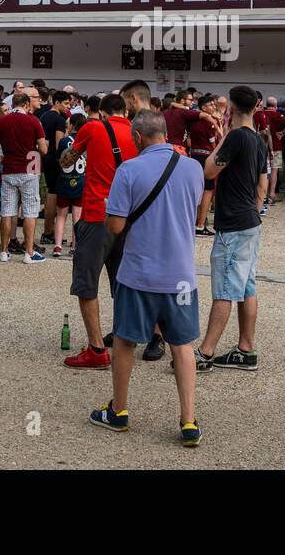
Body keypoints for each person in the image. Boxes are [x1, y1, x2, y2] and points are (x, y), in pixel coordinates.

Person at [91, 109, 205, 447]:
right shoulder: (193, 168)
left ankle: (120, 411)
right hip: (181, 274)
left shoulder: (129, 169)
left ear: (137, 138)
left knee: (126, 340)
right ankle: (188, 421)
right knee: (181, 344)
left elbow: (114, 225)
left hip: (139, 273)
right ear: (165, 134)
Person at [62, 92, 138, 369]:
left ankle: (96, 349)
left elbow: (67, 161)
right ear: (125, 112)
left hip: (97, 214)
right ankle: (124, 339)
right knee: (124, 283)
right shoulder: (137, 132)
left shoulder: (92, 127)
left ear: (103, 112)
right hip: (129, 218)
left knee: (87, 282)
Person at [197, 85, 268, 372]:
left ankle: (205, 353)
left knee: (225, 288)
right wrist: (254, 206)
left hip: (233, 223)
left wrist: (224, 132)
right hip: (250, 220)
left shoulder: (236, 136)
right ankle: (245, 348)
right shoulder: (258, 140)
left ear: (232, 110)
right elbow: (262, 183)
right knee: (247, 286)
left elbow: (209, 169)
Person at [0, 88, 48, 264]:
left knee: (7, 212)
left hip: (9, 169)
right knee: (30, 212)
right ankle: (29, 252)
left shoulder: (2, 121)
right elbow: (43, 149)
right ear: (26, 104)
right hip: (29, 169)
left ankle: (4, 251)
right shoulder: (33, 121)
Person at [187, 95, 225, 235]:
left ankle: (194, 220)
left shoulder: (191, 120)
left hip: (193, 156)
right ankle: (201, 225)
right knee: (208, 190)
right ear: (203, 107)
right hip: (206, 155)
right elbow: (214, 141)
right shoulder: (210, 121)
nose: (213, 107)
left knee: (196, 190)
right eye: (211, 105)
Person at [38, 90, 70, 250]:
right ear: (56, 103)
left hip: (45, 157)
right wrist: (63, 161)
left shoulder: (44, 116)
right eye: (65, 103)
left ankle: (47, 231)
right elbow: (59, 145)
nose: (68, 106)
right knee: (53, 194)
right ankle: (48, 232)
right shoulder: (58, 120)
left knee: (51, 192)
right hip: (55, 160)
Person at [52, 114, 86, 256]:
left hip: (64, 180)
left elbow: (59, 159)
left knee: (61, 215)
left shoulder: (64, 141)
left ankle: (58, 246)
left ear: (71, 125)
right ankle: (75, 246)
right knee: (77, 216)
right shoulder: (87, 141)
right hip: (80, 181)